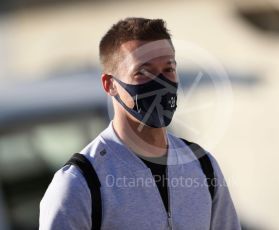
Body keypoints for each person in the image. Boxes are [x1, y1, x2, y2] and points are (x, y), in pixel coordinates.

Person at [39, 17, 241, 230]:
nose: (160, 83)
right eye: (143, 72)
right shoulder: (79, 184)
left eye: (168, 69)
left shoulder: (203, 166)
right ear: (110, 85)